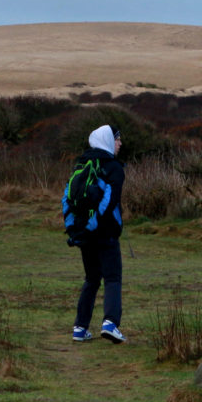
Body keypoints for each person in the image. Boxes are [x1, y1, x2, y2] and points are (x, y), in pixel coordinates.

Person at [71, 124, 127, 344]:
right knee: (112, 278)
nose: (120, 143)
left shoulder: (82, 164)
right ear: (107, 140)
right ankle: (110, 324)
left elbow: (68, 198)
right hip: (106, 232)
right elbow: (109, 201)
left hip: (85, 233)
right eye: (117, 139)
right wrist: (97, 224)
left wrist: (82, 229)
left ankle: (80, 328)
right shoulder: (114, 168)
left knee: (92, 279)